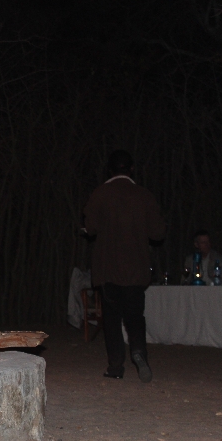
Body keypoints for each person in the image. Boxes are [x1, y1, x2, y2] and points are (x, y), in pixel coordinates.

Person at [83, 150, 166, 382]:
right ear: (131, 170)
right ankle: (139, 351)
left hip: (108, 268)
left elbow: (90, 228)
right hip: (136, 268)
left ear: (110, 170)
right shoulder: (144, 195)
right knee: (134, 315)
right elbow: (158, 232)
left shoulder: (100, 194)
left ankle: (116, 366)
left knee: (111, 318)